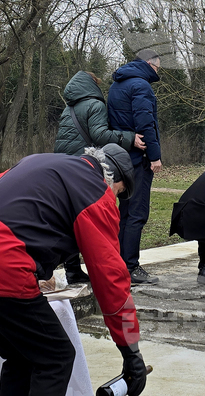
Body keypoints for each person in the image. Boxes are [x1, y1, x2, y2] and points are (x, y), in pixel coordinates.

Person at [0, 145, 147, 396]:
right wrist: (131, 351)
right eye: (118, 193)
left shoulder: (36, 161)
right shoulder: (96, 191)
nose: (114, 199)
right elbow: (112, 281)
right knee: (56, 358)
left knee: (22, 357)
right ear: (114, 179)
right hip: (2, 268)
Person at [56, 70, 144, 284]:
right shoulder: (95, 105)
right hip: (83, 165)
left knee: (69, 218)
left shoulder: (69, 108)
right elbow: (100, 135)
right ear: (92, 85)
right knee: (86, 218)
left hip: (63, 164)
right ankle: (93, 269)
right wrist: (129, 138)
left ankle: (73, 270)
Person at [107, 50, 163, 285]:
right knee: (137, 213)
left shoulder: (117, 85)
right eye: (158, 68)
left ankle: (119, 264)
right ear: (149, 65)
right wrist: (154, 155)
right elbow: (144, 121)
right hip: (138, 159)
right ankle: (130, 266)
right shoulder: (141, 86)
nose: (158, 72)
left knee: (125, 212)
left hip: (121, 157)